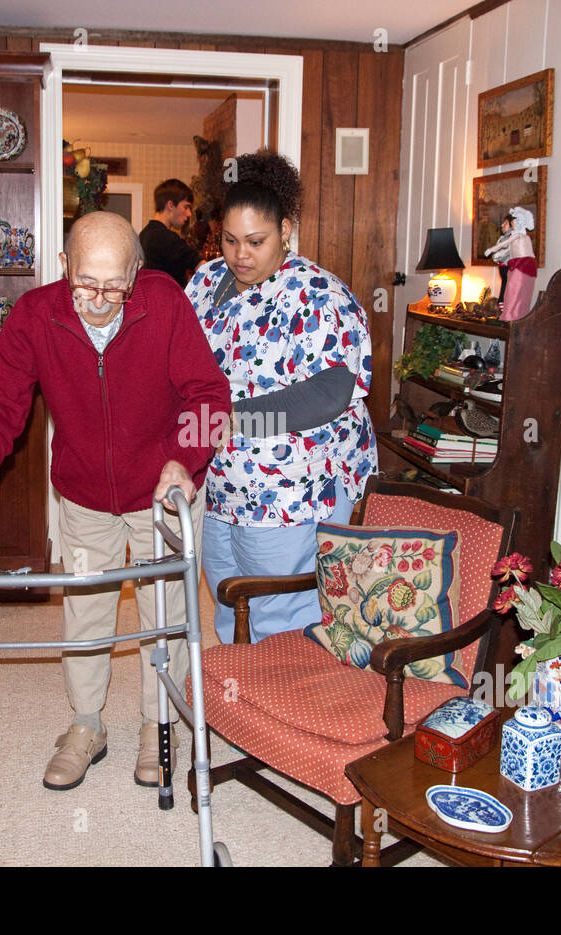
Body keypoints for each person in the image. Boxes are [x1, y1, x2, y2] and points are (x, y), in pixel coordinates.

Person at [0, 211, 229, 791]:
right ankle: (86, 724)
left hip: (162, 496)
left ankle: (157, 724)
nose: (98, 300)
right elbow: (2, 405)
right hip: (85, 494)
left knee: (165, 619)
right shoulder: (34, 315)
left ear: (137, 273)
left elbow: (211, 397)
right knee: (86, 617)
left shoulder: (164, 303)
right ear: (64, 266)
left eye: (114, 287)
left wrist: (183, 457)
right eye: (85, 283)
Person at [186, 150, 378, 644]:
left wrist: (234, 419)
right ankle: (241, 703)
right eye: (229, 240)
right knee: (229, 597)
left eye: (256, 241)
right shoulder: (205, 282)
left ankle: (288, 710)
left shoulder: (317, 293)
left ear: (286, 229)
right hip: (221, 477)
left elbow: (330, 393)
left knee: (281, 612)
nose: (240, 254)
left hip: (292, 486)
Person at [139, 178, 201, 287]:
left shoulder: (143, 234)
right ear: (170, 205)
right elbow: (201, 266)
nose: (189, 214)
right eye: (186, 207)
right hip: (168, 302)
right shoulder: (168, 238)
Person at [485, 206, 537, 322]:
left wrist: (492, 251)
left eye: (506, 223)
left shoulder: (519, 236)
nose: (503, 226)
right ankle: (508, 312)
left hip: (521, 265)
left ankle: (513, 314)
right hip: (516, 265)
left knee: (514, 288)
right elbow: (508, 248)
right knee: (509, 289)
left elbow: (506, 247)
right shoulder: (512, 237)